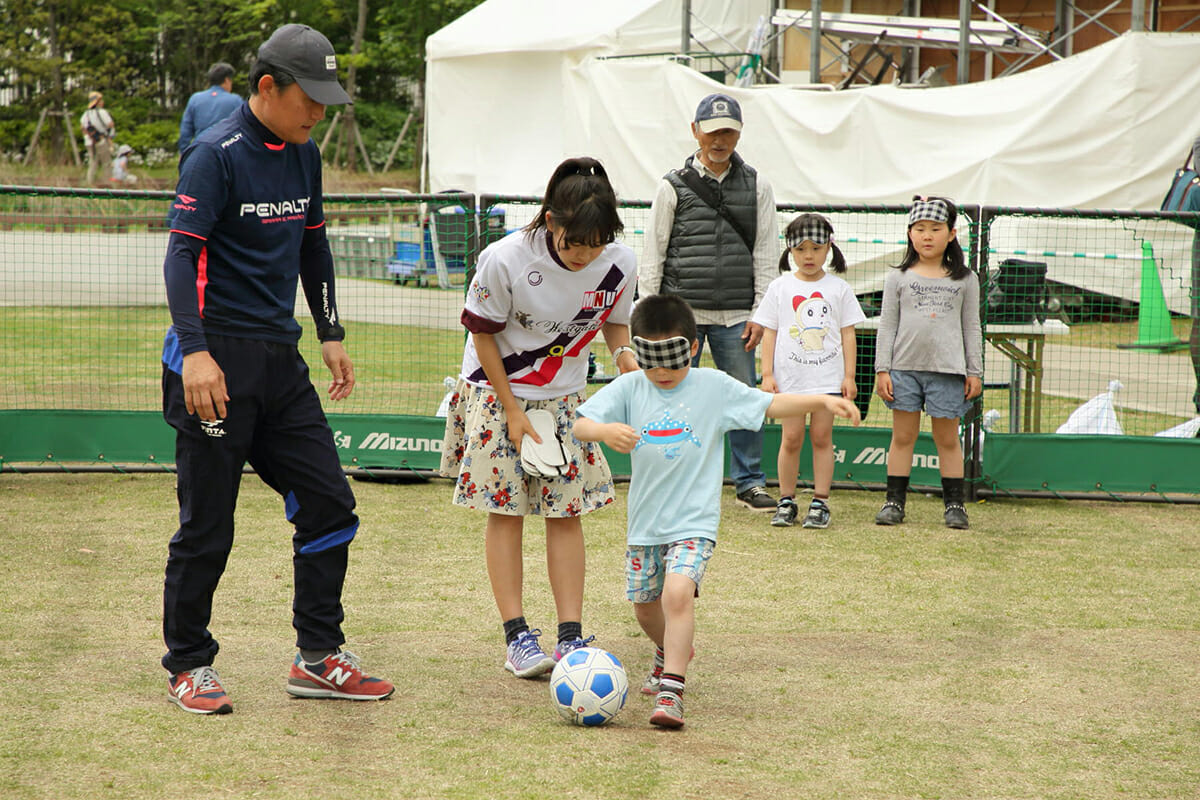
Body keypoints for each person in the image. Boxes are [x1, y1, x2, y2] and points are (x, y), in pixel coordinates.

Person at [159, 23, 392, 715]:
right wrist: (195, 352)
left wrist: (330, 332)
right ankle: (188, 663)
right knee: (209, 526)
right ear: (267, 87)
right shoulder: (214, 154)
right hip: (212, 359)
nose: (319, 111)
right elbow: (179, 258)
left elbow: (313, 250)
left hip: (278, 362)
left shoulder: (305, 154)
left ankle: (318, 657)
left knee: (330, 503)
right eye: (310, 98)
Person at [574, 294, 860, 728]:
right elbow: (580, 422)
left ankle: (672, 690)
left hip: (694, 522)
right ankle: (669, 648)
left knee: (676, 595)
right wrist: (605, 431)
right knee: (645, 607)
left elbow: (769, 405)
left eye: (672, 362)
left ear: (692, 347)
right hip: (645, 525)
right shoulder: (632, 386)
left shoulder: (713, 387)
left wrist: (819, 402)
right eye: (651, 363)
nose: (662, 374)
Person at [439, 156, 638, 680]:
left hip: (566, 398)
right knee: (506, 513)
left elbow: (615, 325)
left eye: (597, 244)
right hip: (497, 390)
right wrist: (510, 410)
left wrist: (626, 364)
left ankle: (571, 635)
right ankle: (517, 638)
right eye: (576, 243)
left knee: (564, 513)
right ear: (552, 222)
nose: (586, 255)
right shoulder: (504, 259)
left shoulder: (620, 263)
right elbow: (482, 334)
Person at [639, 92, 779, 513]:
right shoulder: (672, 186)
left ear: (738, 135)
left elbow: (766, 253)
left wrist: (762, 313)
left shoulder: (759, 184)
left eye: (729, 132)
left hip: (739, 314)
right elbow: (654, 252)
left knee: (744, 397)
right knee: (674, 398)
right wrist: (649, 313)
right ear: (695, 131)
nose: (720, 140)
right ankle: (674, 476)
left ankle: (750, 481)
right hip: (681, 315)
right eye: (713, 131)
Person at [873, 196, 983, 529]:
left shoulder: (965, 279)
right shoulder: (898, 277)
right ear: (909, 234)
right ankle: (894, 501)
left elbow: (971, 326)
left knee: (947, 439)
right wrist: (882, 369)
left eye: (935, 229)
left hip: (949, 372)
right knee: (902, 437)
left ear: (951, 234)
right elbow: (887, 324)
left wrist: (974, 371)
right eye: (919, 229)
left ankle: (955, 505)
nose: (927, 236)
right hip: (903, 370)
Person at [753, 214, 865, 528]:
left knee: (821, 437)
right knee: (790, 438)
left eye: (816, 248)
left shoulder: (839, 288)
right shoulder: (780, 286)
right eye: (801, 249)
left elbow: (847, 334)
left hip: (827, 380)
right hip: (790, 379)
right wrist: (768, 374)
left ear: (829, 247)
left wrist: (849, 376)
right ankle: (786, 500)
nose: (808, 256)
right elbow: (770, 332)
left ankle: (820, 501)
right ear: (790, 251)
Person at [178, 62, 243, 153]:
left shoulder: (195, 99)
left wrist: (184, 151)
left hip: (201, 151)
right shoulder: (236, 100)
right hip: (228, 153)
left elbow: (185, 130)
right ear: (227, 80)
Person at [80, 91, 114, 186]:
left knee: (93, 163)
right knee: (106, 163)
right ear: (98, 102)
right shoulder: (102, 112)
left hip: (89, 141)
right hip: (101, 140)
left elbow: (83, 128)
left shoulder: (85, 114)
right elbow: (110, 124)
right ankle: (108, 183)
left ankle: (89, 183)